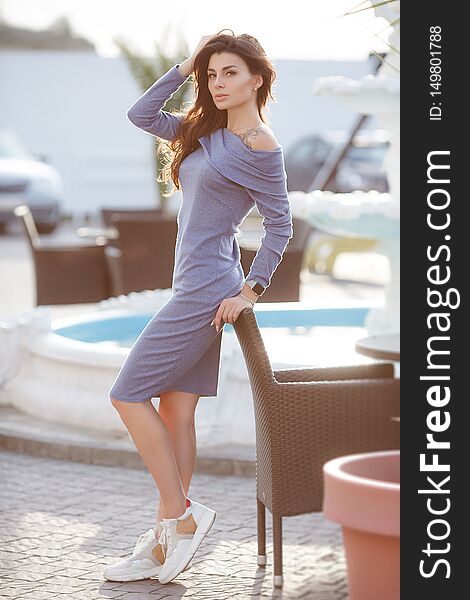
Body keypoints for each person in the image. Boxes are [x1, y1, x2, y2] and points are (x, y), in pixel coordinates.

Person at [104, 30, 293, 585]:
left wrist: (250, 290)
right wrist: (187, 66)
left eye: (229, 72)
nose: (218, 83)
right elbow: (141, 113)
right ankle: (164, 538)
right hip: (194, 283)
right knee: (175, 411)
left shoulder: (259, 145)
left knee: (126, 393)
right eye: (212, 75)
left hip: (208, 289)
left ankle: (181, 520)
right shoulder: (201, 129)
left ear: (257, 78)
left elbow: (280, 223)